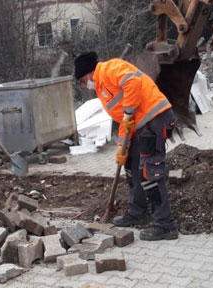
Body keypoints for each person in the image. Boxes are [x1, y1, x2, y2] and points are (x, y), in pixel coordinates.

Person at [74, 51, 178, 241]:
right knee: (131, 165)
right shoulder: (101, 88)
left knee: (150, 172)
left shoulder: (109, 69)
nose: (84, 85)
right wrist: (123, 147)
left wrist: (129, 111)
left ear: (89, 73)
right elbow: (123, 120)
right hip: (140, 126)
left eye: (82, 80)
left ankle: (165, 226)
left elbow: (133, 83)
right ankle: (137, 212)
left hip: (155, 119)